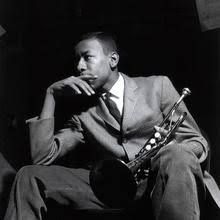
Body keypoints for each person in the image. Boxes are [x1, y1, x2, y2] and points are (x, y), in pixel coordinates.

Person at [4, 31, 209, 220]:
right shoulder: (83, 114)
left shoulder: (157, 86)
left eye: (87, 57)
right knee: (28, 175)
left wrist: (171, 148)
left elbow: (197, 142)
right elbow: (42, 157)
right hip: (109, 190)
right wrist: (51, 96)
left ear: (113, 60)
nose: (79, 67)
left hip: (157, 181)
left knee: (176, 155)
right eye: (77, 60)